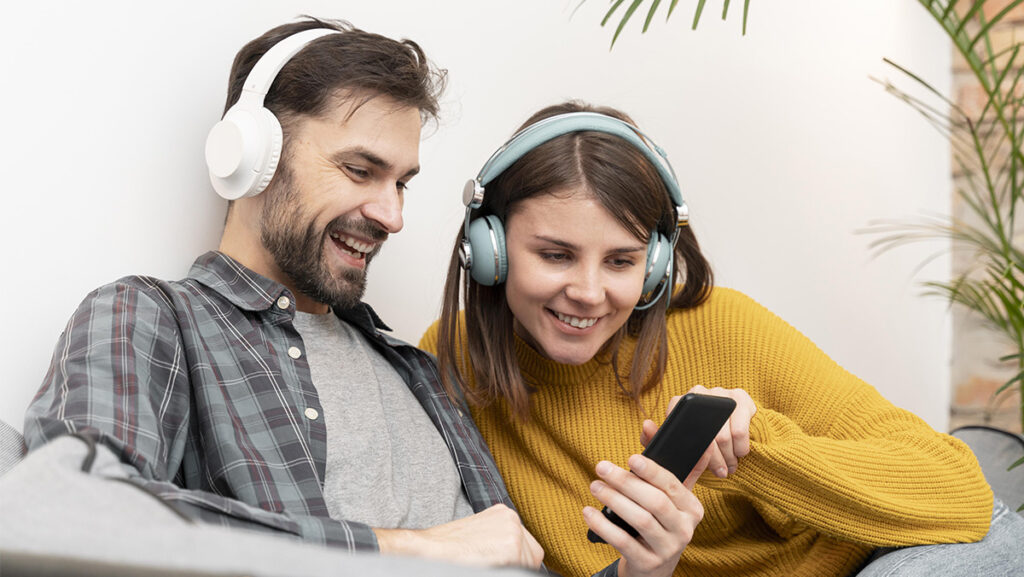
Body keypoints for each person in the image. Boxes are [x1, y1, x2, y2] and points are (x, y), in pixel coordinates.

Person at [22, 17, 544, 571]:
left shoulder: (413, 365)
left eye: (401, 183)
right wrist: (416, 551)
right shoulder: (151, 317)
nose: (392, 216)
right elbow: (68, 506)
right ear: (251, 157)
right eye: (359, 169)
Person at [420, 100, 1022, 577]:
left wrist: (755, 448)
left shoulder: (725, 324)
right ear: (489, 251)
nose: (588, 291)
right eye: (555, 254)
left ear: (655, 266)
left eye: (621, 262)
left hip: (902, 551)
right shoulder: (451, 362)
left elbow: (962, 496)